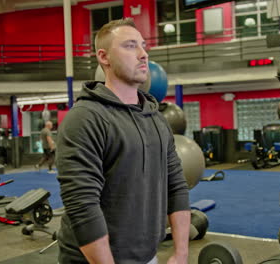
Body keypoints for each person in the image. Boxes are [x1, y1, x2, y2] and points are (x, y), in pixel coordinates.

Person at [56, 18, 190, 264]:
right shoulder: (85, 118)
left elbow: (176, 185)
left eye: (143, 46)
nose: (143, 54)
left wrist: (181, 253)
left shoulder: (156, 118)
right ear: (104, 57)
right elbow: (82, 205)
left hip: (147, 256)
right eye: (130, 46)